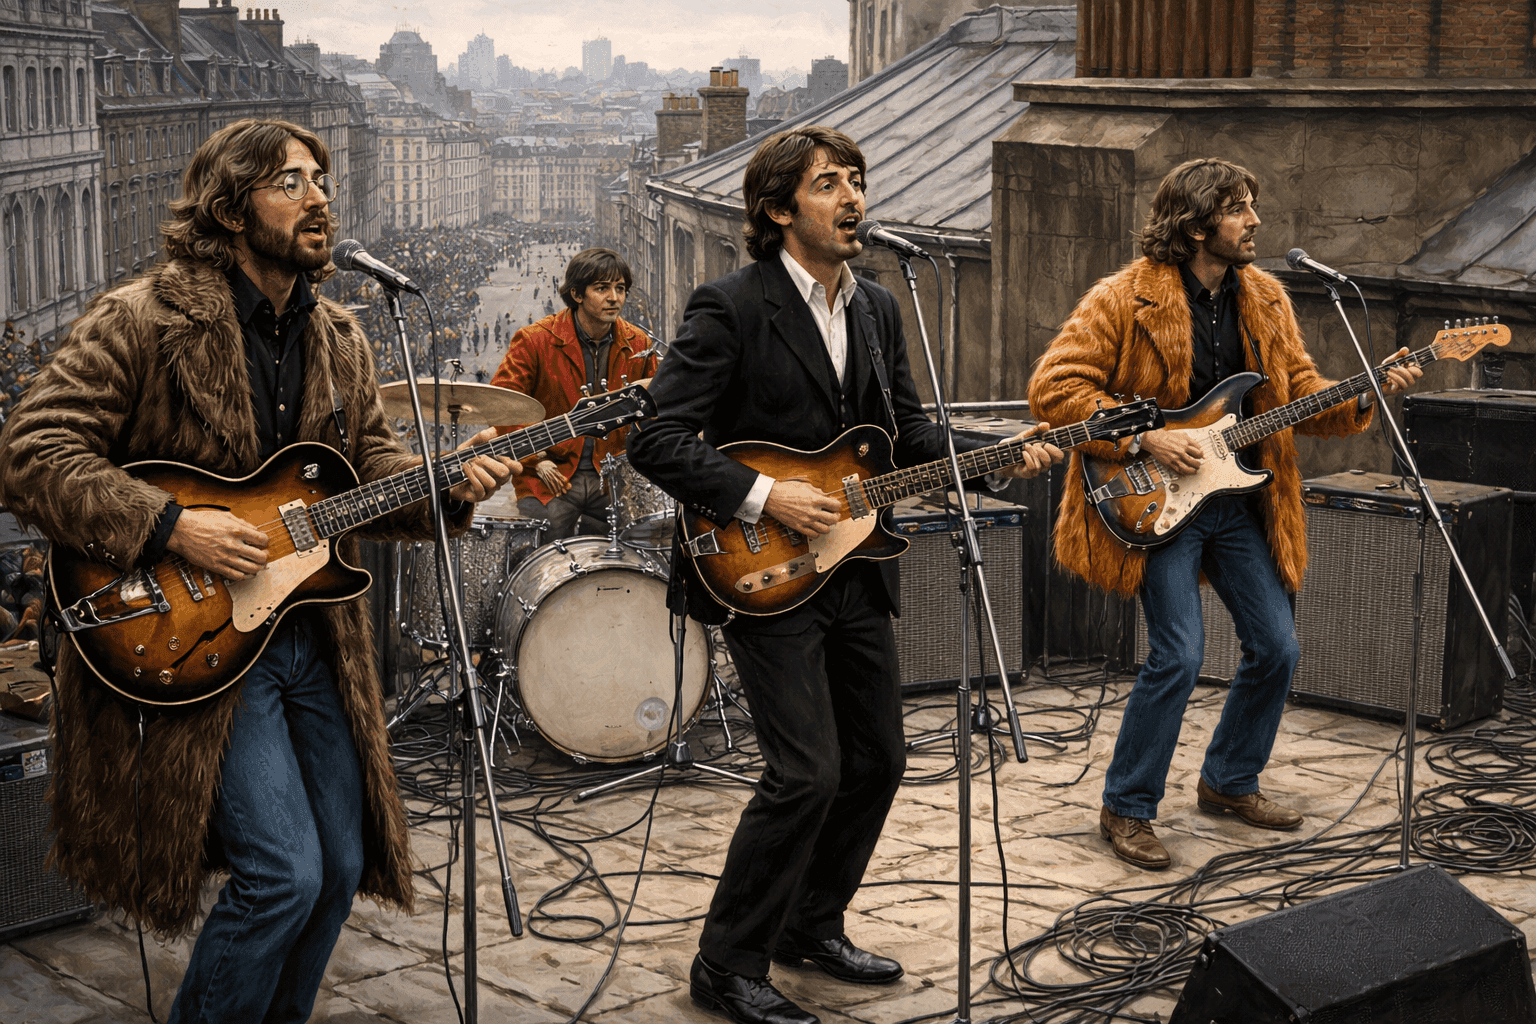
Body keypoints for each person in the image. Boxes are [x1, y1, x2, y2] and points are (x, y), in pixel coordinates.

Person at [0, 118, 519, 1022]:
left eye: (320, 178)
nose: (319, 197)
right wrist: (169, 525)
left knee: (342, 866)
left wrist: (451, 481)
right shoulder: (141, 320)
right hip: (191, 633)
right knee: (282, 874)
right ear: (231, 208)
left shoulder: (344, 334)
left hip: (307, 634)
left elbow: (365, 471)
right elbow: (33, 451)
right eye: (291, 182)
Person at [627, 126, 1062, 1024]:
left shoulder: (877, 309)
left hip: (855, 566)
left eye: (859, 180)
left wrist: (995, 455)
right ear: (780, 209)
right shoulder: (730, 305)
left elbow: (903, 435)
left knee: (878, 758)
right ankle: (727, 963)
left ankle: (810, 924)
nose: (855, 196)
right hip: (763, 569)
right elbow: (656, 439)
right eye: (831, 183)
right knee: (805, 772)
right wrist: (764, 496)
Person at [1027, 157, 1421, 871]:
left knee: (1278, 647)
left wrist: (1367, 391)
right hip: (1154, 500)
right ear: (1197, 220)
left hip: (1238, 501)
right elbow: (1056, 390)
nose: (1255, 222)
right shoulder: (1123, 297)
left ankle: (1229, 782)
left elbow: (1296, 390)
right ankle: (1128, 807)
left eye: (1251, 206)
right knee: (1178, 654)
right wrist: (1144, 434)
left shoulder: (1265, 297)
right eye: (1239, 208)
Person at [489, 247, 658, 540]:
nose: (614, 298)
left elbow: (657, 411)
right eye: (602, 288)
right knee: (543, 550)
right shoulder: (534, 340)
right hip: (549, 474)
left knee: (634, 547)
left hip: (612, 479)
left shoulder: (638, 342)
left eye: (620, 288)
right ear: (577, 294)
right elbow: (503, 403)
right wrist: (536, 459)